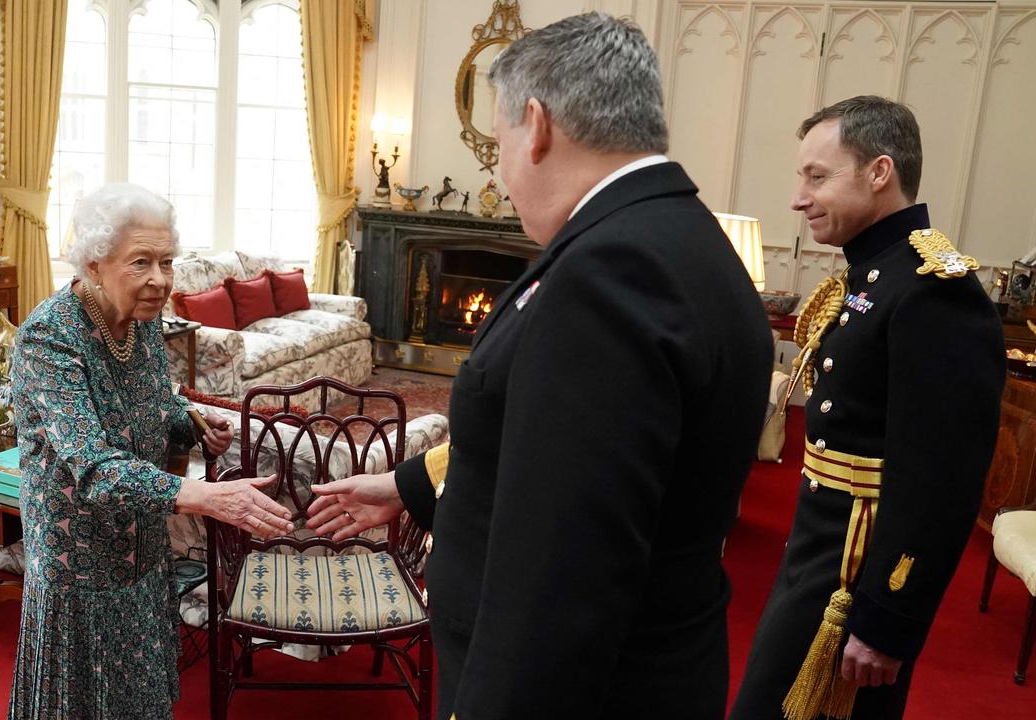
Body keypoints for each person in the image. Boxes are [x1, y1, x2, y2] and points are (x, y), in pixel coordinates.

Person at [305, 13, 771, 718]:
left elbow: (561, 572)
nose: (500, 167)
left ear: (537, 123)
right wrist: (408, 485)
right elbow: (550, 448)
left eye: (499, 144)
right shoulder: (679, 238)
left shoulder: (608, 274)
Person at [729, 97, 1005, 720]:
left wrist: (888, 620)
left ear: (879, 172)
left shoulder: (936, 293)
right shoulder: (875, 272)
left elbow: (942, 480)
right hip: (820, 555)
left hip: (858, 577)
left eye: (817, 176)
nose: (799, 198)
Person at [7, 183, 294, 720]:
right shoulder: (49, 339)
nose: (160, 280)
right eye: (141, 262)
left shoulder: (141, 327)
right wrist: (205, 497)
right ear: (94, 263)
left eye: (167, 261)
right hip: (79, 563)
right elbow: (92, 467)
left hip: (141, 548)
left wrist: (192, 427)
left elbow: (157, 406)